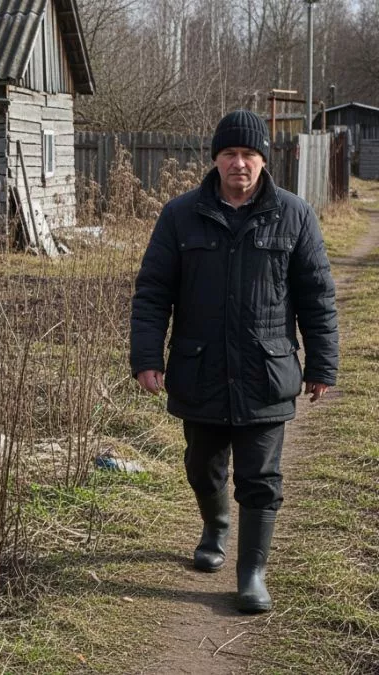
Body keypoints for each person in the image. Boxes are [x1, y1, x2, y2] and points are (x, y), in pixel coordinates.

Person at [129, 110, 339, 614]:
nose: (238, 163)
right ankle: (215, 526)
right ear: (216, 159)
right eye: (229, 154)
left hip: (266, 371)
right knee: (202, 466)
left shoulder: (295, 215)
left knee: (260, 478)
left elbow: (317, 296)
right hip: (199, 367)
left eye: (248, 154)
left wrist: (322, 365)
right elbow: (153, 291)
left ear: (264, 160)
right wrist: (146, 356)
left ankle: (251, 574)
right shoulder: (180, 215)